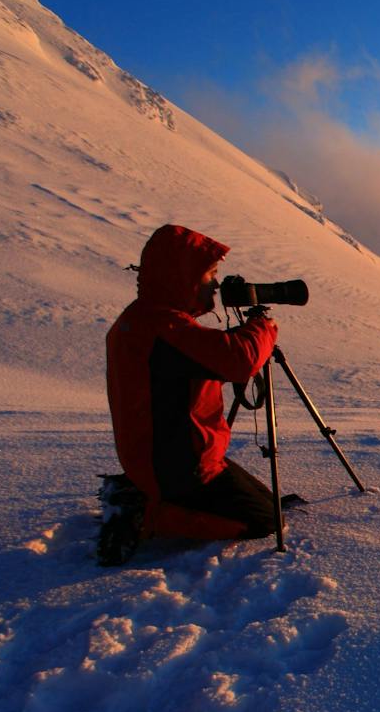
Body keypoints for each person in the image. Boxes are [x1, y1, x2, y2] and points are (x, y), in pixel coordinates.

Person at [99, 224, 280, 565]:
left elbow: (199, 358)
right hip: (179, 468)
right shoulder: (164, 329)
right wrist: (263, 328)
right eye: (209, 273)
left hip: (159, 457)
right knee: (265, 520)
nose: (215, 283)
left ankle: (141, 492)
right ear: (181, 277)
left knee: (267, 502)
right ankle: (146, 513)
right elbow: (239, 360)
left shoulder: (143, 319)